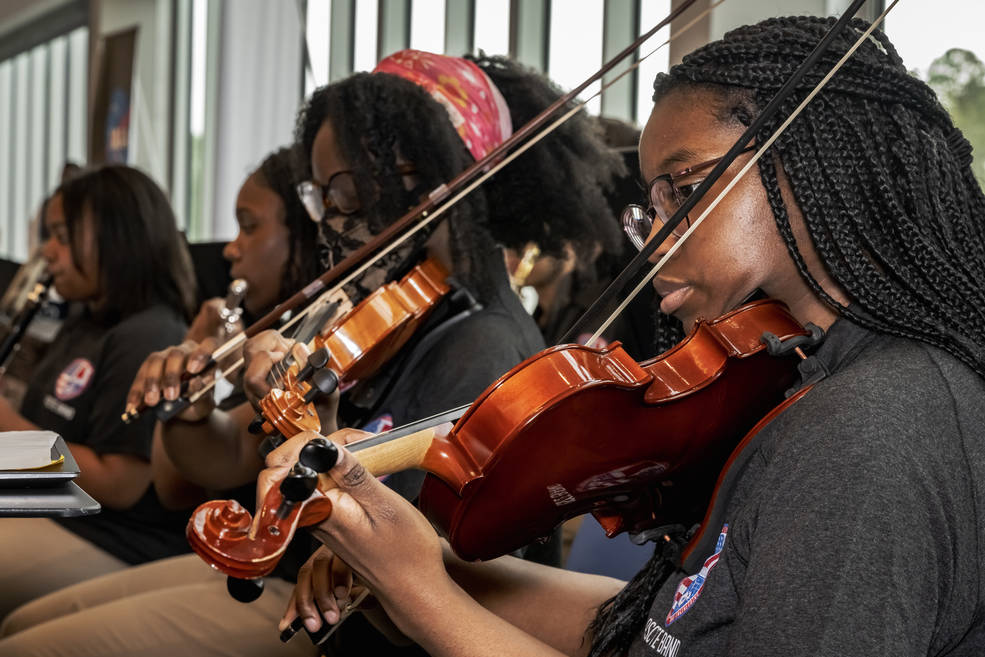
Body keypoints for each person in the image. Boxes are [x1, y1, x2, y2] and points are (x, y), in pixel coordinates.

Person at [263, 16, 985, 657]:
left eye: (683, 185)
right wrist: (425, 562)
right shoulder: (804, 377)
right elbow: (662, 628)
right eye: (651, 204)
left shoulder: (866, 430)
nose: (655, 237)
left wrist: (421, 592)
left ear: (803, 164)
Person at [0, 51, 615, 657]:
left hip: (354, 625)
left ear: (430, 177)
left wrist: (317, 436)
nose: (333, 224)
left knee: (35, 645)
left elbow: (407, 567)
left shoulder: (484, 346)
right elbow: (223, 457)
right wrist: (194, 412)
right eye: (324, 198)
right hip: (293, 579)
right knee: (30, 624)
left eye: (347, 192)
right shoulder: (377, 318)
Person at [0, 165, 197, 619]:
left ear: (118, 238)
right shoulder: (85, 319)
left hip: (110, 537)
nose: (47, 252)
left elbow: (119, 483)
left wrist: (6, 424)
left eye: (63, 237)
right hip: (53, 507)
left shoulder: (149, 334)